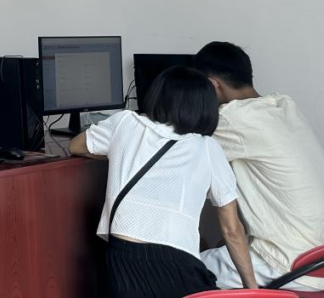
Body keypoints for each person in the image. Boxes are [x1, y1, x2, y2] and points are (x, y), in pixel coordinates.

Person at [70, 66, 257, 298]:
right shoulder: (207, 148)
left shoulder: (125, 123)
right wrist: (253, 288)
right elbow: (232, 230)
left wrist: (118, 152)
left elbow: (76, 146)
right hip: (176, 264)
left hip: (121, 263)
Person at [194, 42, 324, 292]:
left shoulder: (233, 119)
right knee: (219, 246)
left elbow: (172, 144)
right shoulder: (284, 105)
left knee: (178, 270)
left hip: (285, 263)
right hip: (317, 258)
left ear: (212, 85)